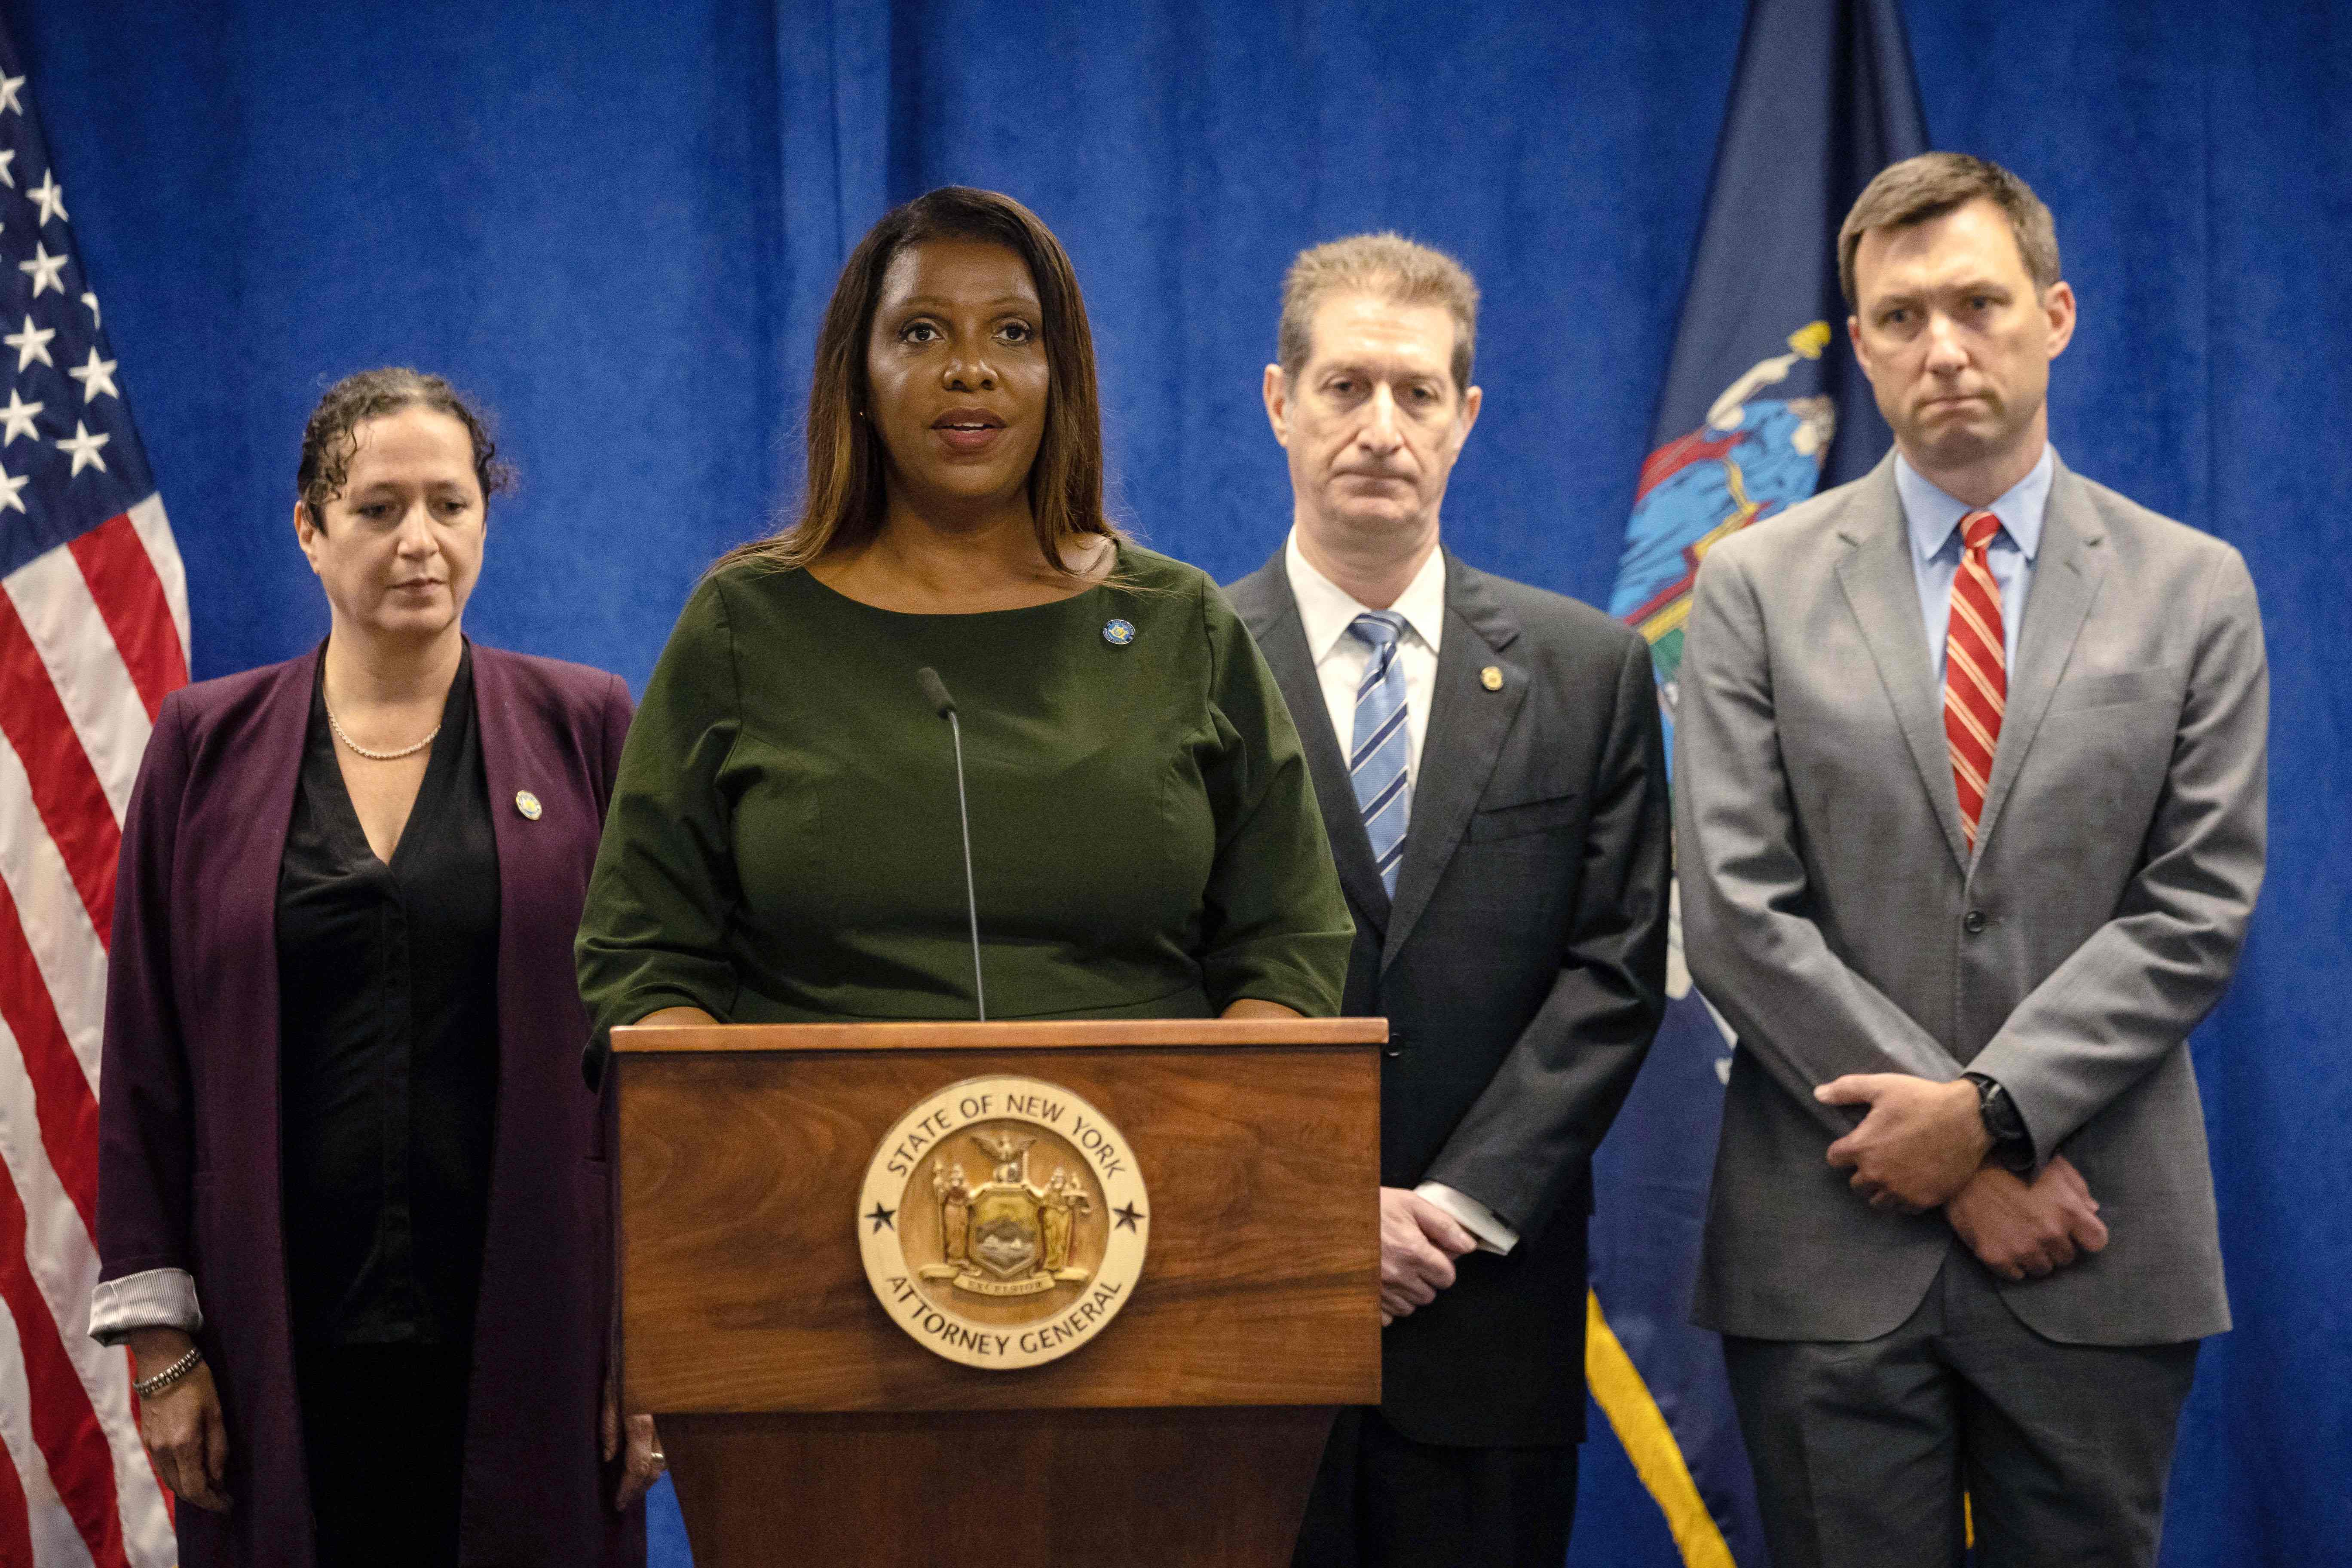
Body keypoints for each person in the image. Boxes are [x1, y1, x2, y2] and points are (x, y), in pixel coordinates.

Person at [1675, 153, 2267, 1567]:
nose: (1941, 345)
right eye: (1897, 315)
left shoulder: (2196, 588)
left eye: (1977, 303)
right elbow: (1738, 909)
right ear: (1860, 342)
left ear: (2054, 314)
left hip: (2097, 1232)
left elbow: (2196, 904)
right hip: (1829, 1243)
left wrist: (1994, 1110)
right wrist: (1957, 1156)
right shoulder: (1749, 582)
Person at [92, 369, 660, 1567]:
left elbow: (653, 1058)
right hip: (273, 1339)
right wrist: (165, 1344)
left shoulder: (589, 727)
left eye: (450, 506)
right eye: (378, 508)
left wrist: (656, 1338)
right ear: (310, 530)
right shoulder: (204, 746)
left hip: (537, 1324)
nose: (420, 542)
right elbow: (146, 1050)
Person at [574, 187, 1350, 1063]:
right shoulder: (745, 624)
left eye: (1014, 333)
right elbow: (642, 956)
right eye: (921, 332)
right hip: (814, 1167)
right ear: (858, 375)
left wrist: (1209, 1114)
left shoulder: (1180, 623)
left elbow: (1293, 945)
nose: (969, 369)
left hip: (1146, 1169)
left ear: (1063, 378)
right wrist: (741, 1131)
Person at [1225, 233, 1671, 1568]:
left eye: (1417, 393)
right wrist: (1322, 1208)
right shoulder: (1175, 667)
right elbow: (1151, 976)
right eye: (1347, 386)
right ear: (1278, 401)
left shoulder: (1590, 671)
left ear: (1466, 418)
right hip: (1244, 1310)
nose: (1380, 427)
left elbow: (1616, 968)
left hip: (1485, 1317)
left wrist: (1454, 1209)